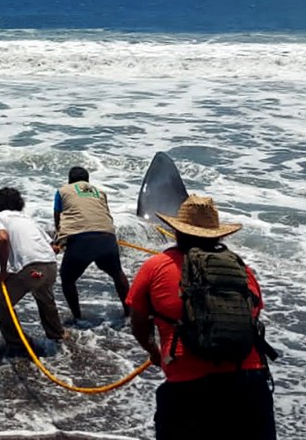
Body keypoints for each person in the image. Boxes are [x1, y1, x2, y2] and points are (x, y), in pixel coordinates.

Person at [126, 194, 276, 440]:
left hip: (189, 389)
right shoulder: (241, 269)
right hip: (250, 383)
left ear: (177, 231)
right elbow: (253, 315)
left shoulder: (156, 266)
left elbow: (138, 319)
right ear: (219, 234)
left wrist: (153, 351)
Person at [0, 186, 64, 357]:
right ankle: (57, 336)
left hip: (32, 268)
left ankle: (18, 344)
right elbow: (53, 248)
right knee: (44, 297)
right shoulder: (27, 219)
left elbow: (2, 238)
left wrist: (3, 272)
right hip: (50, 266)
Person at [53, 166, 130, 320]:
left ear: (70, 180)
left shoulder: (62, 191)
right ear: (87, 181)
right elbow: (105, 214)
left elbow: (58, 218)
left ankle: (77, 317)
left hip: (81, 239)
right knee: (117, 273)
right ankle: (129, 312)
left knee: (67, 279)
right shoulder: (99, 192)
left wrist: (59, 240)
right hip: (107, 236)